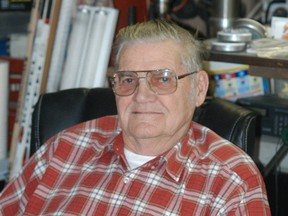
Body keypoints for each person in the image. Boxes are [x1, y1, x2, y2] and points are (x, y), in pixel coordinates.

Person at [0, 19, 270, 215]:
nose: (142, 95)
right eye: (128, 79)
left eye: (163, 79)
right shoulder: (65, 147)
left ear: (199, 88)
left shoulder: (230, 181)